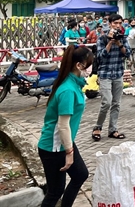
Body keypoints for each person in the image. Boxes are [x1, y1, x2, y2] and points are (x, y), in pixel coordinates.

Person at [38, 45, 93, 207]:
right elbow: (62, 125)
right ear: (79, 65)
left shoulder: (73, 83)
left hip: (63, 142)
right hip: (54, 147)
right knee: (55, 191)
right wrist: (69, 152)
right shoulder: (68, 90)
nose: (91, 68)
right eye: (89, 65)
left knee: (81, 174)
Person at [92, 14, 130, 141]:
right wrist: (110, 42)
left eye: (120, 23)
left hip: (118, 73)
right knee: (106, 102)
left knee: (116, 103)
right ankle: (97, 127)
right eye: (115, 23)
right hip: (105, 74)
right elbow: (100, 57)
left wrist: (119, 43)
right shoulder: (102, 38)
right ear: (109, 24)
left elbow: (128, 54)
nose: (118, 25)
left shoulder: (123, 37)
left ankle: (113, 129)